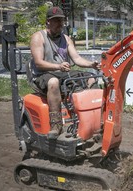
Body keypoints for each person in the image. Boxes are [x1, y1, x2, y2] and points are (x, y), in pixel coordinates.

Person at [30, 6, 100, 140]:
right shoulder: (38, 37)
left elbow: (77, 59)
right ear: (48, 22)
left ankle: (96, 120)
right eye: (56, 20)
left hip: (63, 73)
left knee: (91, 78)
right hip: (44, 74)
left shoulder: (66, 39)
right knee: (53, 82)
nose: (59, 24)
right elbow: (38, 62)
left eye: (61, 21)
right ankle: (56, 125)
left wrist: (92, 65)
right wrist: (58, 66)